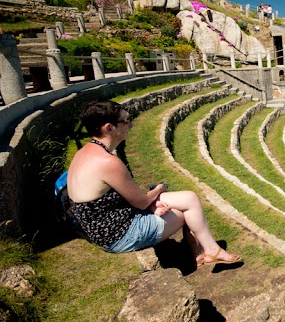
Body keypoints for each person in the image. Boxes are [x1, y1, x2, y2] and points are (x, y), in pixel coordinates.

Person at [67, 101, 241, 268]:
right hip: (118, 235)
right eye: (125, 121)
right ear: (109, 128)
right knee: (184, 212)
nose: (131, 125)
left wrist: (152, 205)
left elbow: (116, 198)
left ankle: (204, 252)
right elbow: (140, 202)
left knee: (189, 198)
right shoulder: (107, 162)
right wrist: (159, 190)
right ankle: (207, 251)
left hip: (106, 225)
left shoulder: (87, 152)